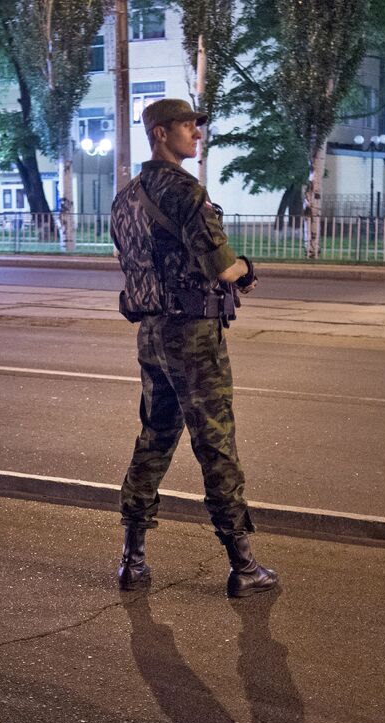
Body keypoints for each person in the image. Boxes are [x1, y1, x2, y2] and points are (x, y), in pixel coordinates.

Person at [109, 98, 277, 599]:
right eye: (187, 126)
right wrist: (247, 270)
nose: (196, 134)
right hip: (194, 337)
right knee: (216, 443)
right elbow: (222, 268)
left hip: (151, 334)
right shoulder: (185, 192)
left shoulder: (126, 198)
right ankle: (243, 566)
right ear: (160, 134)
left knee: (155, 437)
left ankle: (133, 559)